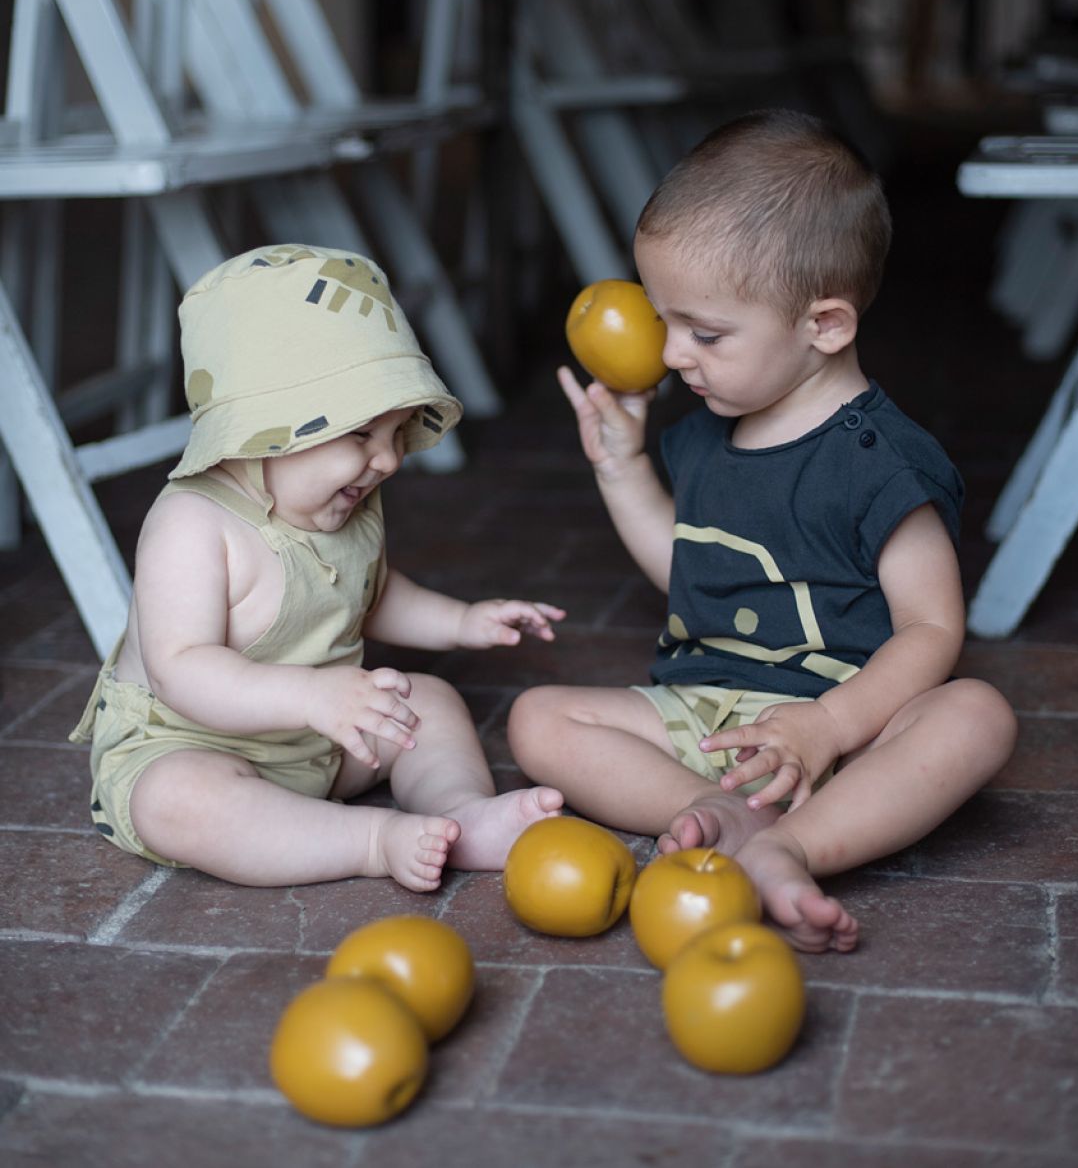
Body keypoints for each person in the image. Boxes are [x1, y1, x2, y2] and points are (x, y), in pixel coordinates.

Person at [508, 110, 1017, 953]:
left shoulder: (883, 465)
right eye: (663, 322)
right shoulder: (712, 428)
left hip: (844, 723)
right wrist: (620, 466)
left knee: (976, 716)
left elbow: (933, 627)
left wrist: (829, 727)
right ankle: (705, 809)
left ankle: (792, 844)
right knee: (539, 719)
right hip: (707, 714)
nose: (671, 355)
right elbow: (686, 568)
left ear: (824, 327)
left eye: (704, 333)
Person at [70, 244, 564, 892]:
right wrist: (312, 696)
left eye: (395, 435)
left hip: (324, 741)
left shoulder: (345, 503)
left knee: (432, 703)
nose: (386, 460)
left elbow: (374, 594)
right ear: (262, 425)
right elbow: (182, 668)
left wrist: (461, 621)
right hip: (197, 744)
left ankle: (458, 815)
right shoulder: (192, 524)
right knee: (177, 800)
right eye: (362, 435)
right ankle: (370, 841)